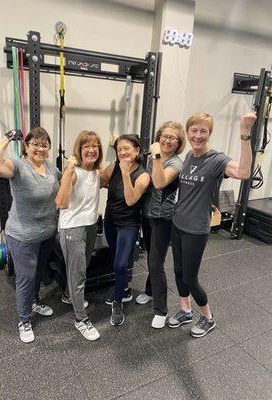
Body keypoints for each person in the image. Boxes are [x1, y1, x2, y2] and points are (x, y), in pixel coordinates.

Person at [168, 112, 257, 338]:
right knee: (178, 272)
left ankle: (208, 317)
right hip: (178, 224)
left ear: (209, 133)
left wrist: (245, 135)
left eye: (203, 131)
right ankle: (186, 310)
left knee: (190, 277)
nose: (198, 135)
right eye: (194, 130)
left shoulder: (217, 160)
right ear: (187, 132)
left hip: (196, 229)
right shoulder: (188, 156)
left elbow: (244, 172)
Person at [0, 127, 61, 343]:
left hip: (47, 233)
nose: (40, 148)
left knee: (38, 273)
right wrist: (8, 137)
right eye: (35, 144)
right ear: (26, 147)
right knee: (26, 278)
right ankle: (24, 319)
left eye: (44, 144)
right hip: (22, 235)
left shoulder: (50, 167)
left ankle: (35, 301)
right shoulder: (18, 166)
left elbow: (65, 182)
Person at [135, 121, 185, 329]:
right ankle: (149, 291)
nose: (167, 140)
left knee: (156, 263)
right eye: (164, 135)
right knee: (150, 256)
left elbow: (160, 182)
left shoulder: (176, 163)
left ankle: (161, 310)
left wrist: (156, 157)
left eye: (172, 137)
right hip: (147, 215)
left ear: (178, 142)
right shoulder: (151, 158)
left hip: (163, 220)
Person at [56, 130, 103, 341]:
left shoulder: (97, 173)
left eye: (95, 146)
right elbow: (61, 203)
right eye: (87, 147)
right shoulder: (74, 172)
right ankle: (80, 319)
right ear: (80, 150)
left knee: (80, 269)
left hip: (90, 225)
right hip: (73, 228)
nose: (91, 150)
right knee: (78, 275)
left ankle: (68, 296)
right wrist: (68, 170)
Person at [101, 134, 150, 326]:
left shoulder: (143, 175)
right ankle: (124, 289)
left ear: (137, 151)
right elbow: (97, 181)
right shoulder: (112, 167)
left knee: (121, 264)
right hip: (110, 221)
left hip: (128, 225)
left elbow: (130, 200)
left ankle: (118, 302)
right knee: (115, 259)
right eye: (119, 149)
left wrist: (125, 173)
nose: (122, 152)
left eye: (126, 148)